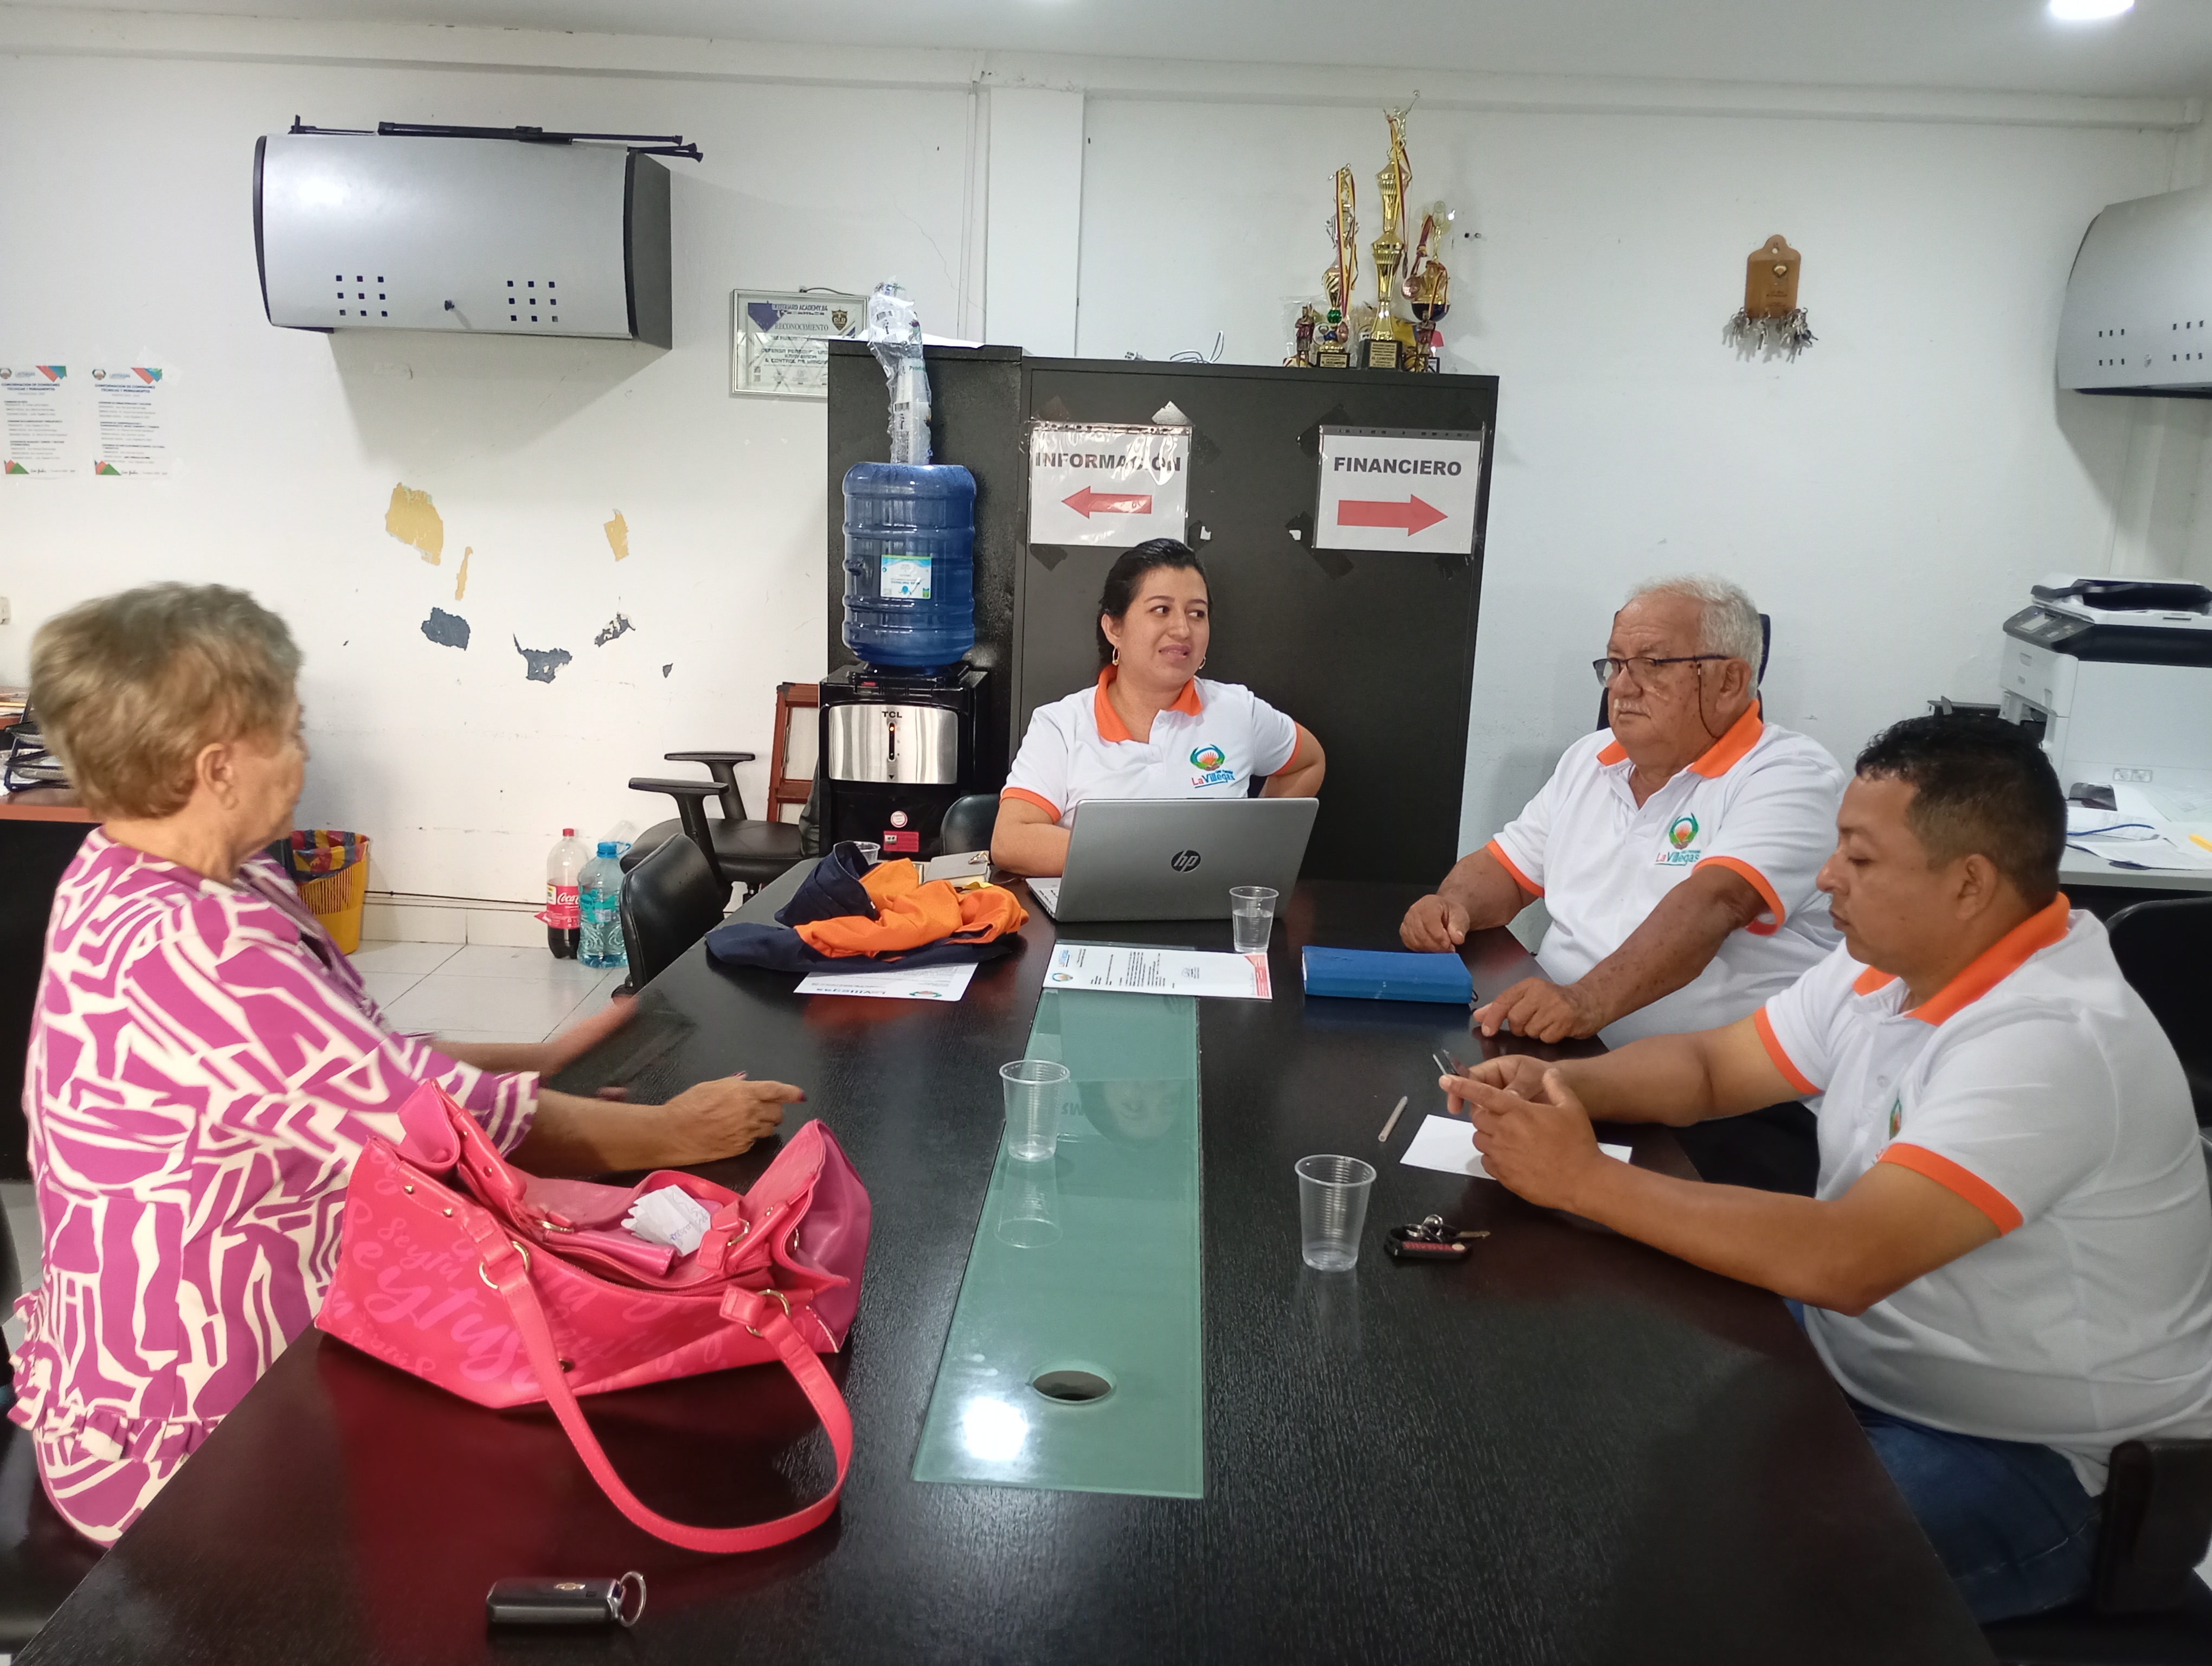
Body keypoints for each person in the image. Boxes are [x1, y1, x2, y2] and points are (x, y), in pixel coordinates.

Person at [16, 583, 806, 1546]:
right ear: (216, 769)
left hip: (225, 1353)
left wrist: (540, 1059)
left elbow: (348, 1054)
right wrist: (676, 1130)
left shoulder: (140, 869)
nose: (306, 754)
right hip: (193, 1440)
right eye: (289, 733)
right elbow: (435, 1124)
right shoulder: (194, 947)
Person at [1445, 713, 2212, 1622]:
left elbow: (1847, 1258)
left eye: (1860, 856)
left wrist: (1584, 1179)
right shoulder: (1888, 965)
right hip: (1867, 1361)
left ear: (1969, 882)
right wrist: (1560, 1083)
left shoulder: (2053, 1037)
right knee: (1601, 1426)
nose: (1826, 876)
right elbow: (1713, 1069)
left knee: (1703, 1576)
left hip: (2038, 1461)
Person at [1401, 575, 1845, 1193]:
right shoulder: (1592, 758)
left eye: (1653, 665)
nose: (1622, 685)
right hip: (1574, 1062)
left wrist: (1584, 1001)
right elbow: (1505, 867)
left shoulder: (1788, 775)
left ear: (1730, 681)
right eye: (1614, 663)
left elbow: (1716, 902)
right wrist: (1451, 904)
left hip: (1729, 1107)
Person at [991, 539, 1325, 877]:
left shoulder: (1238, 712)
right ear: (1114, 628)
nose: (1182, 629)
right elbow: (1011, 840)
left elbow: (1309, 763)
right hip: (1102, 907)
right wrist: (1152, 859)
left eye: (1197, 613)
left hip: (1210, 909)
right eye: (1161, 610)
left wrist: (1248, 844)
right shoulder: (1062, 726)